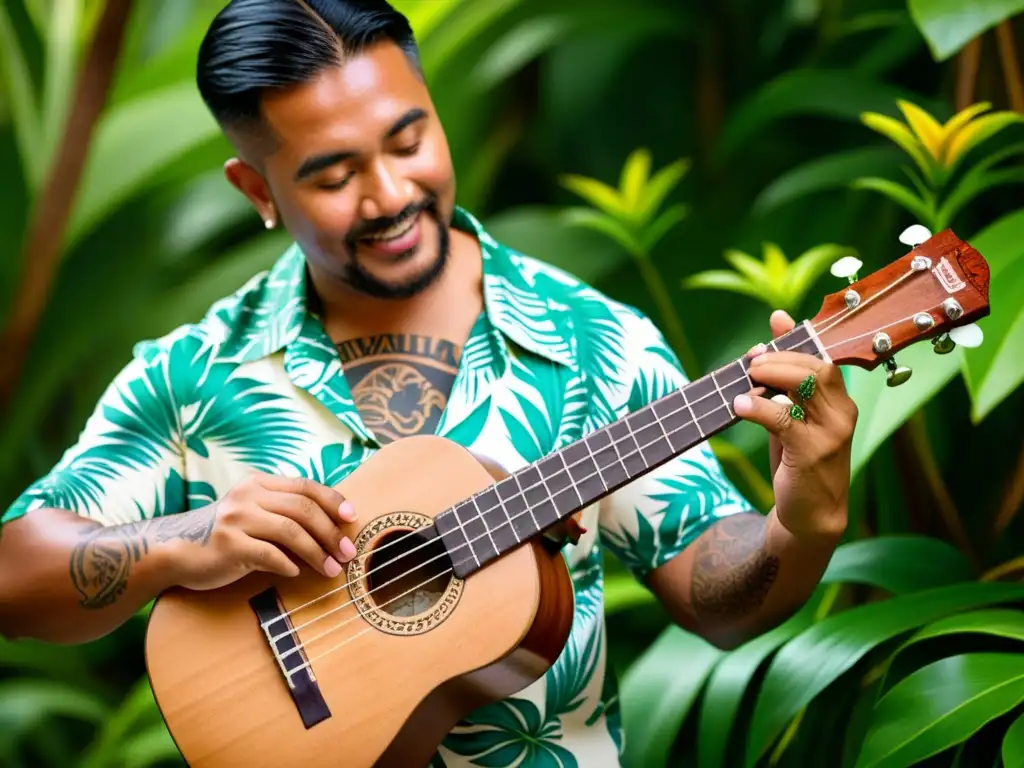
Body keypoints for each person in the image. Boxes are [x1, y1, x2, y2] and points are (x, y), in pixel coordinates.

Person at [0, 1, 858, 765]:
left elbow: (715, 593)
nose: (391, 194)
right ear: (256, 189)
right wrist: (183, 540)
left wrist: (803, 521)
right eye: (334, 176)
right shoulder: (192, 375)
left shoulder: (594, 340)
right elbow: (11, 577)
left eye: (409, 141)